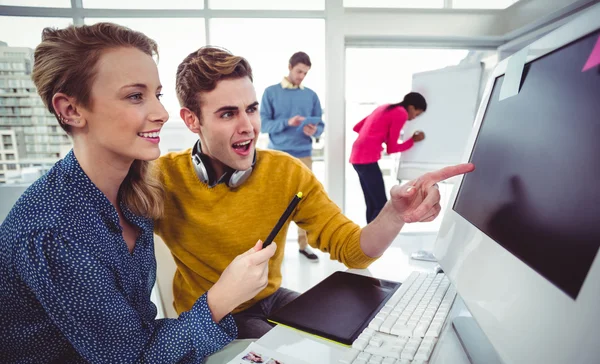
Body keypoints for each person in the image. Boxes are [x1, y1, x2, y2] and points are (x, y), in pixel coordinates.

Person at [0, 24, 276, 364]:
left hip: (111, 358)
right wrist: (222, 298)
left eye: (157, 94)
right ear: (71, 110)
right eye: (135, 96)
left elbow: (133, 338)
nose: (161, 113)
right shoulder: (54, 230)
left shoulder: (135, 190)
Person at [154, 46, 474, 340]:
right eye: (227, 114)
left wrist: (395, 213)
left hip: (270, 297)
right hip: (214, 316)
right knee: (287, 348)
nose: (248, 126)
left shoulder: (286, 171)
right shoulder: (162, 178)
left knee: (352, 333)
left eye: (250, 109)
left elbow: (353, 251)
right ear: (192, 120)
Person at [260, 51, 324, 262]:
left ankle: (304, 246)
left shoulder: (311, 95)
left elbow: (320, 126)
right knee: (275, 203)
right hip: (276, 155)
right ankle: (271, 251)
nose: (301, 76)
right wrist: (288, 122)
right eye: (299, 71)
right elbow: (264, 125)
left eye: (305, 73)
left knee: (304, 201)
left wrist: (313, 131)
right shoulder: (271, 92)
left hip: (303, 155)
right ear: (289, 67)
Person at [350, 92, 428, 223]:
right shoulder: (401, 113)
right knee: (380, 204)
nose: (414, 118)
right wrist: (412, 140)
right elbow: (392, 149)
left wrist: (379, 136)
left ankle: (369, 239)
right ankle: (375, 239)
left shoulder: (385, 107)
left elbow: (357, 127)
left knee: (372, 202)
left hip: (357, 157)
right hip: (367, 158)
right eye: (417, 113)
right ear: (411, 107)